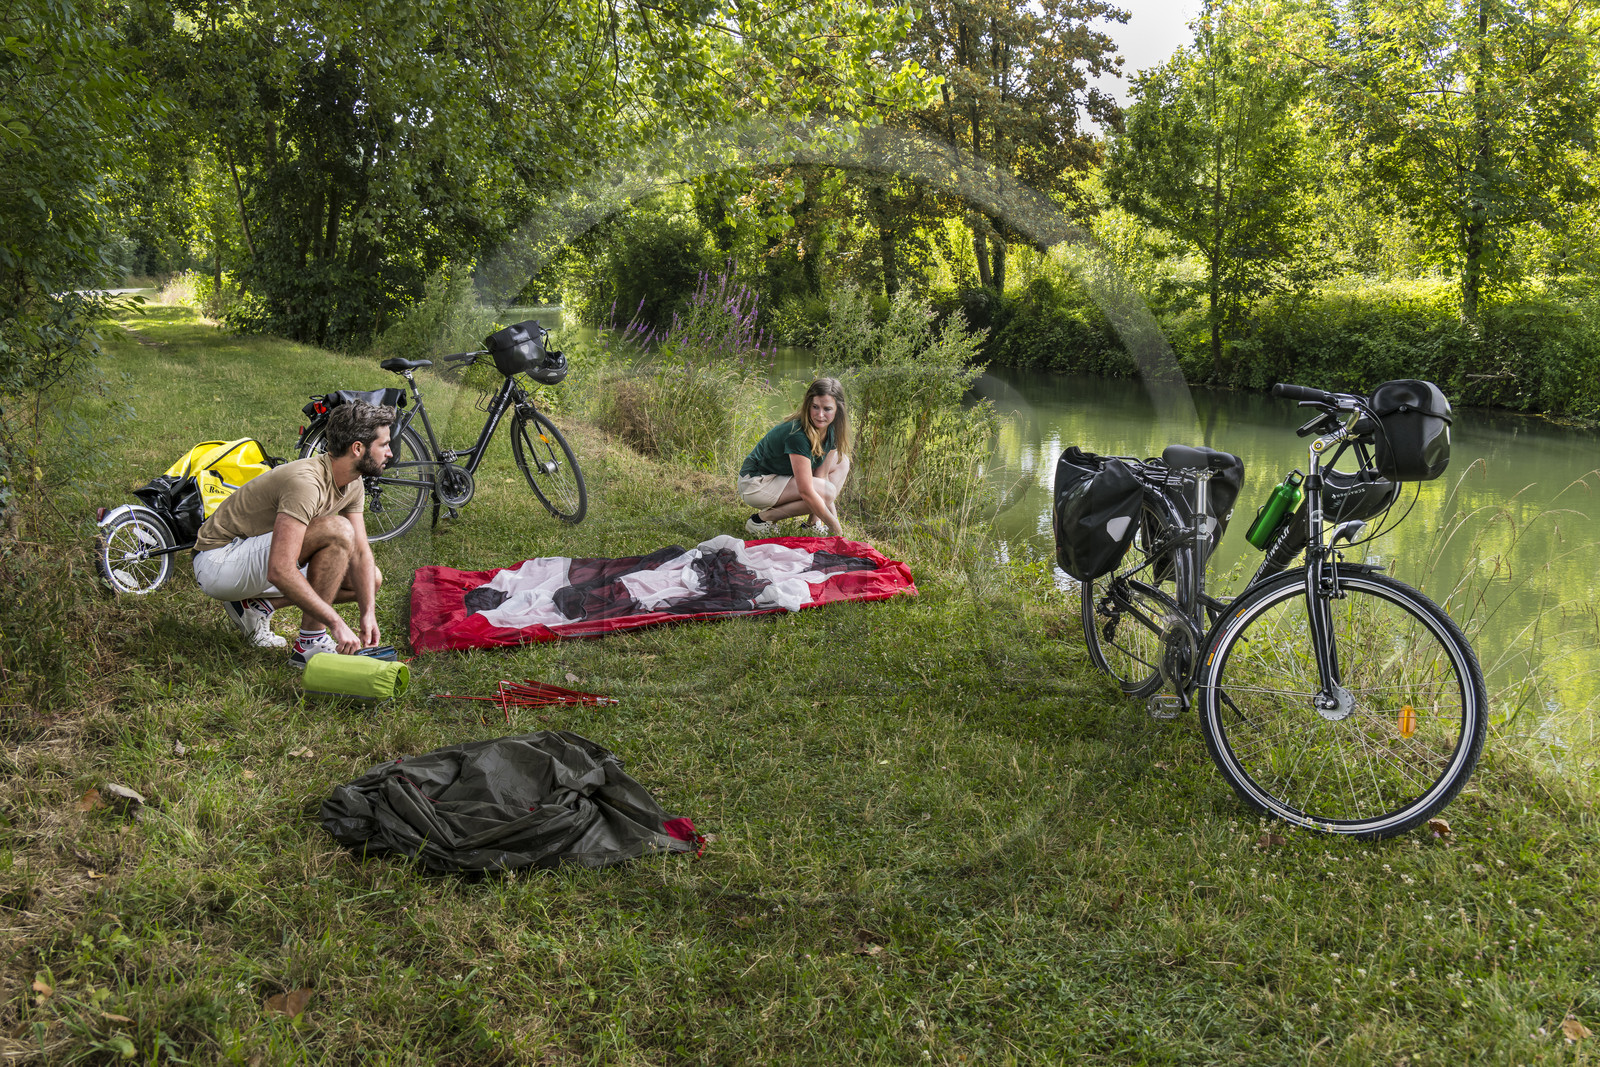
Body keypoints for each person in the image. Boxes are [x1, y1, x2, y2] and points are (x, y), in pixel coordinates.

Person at [191, 402, 391, 668]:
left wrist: (368, 613)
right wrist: (336, 622)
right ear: (358, 448)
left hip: (254, 559)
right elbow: (279, 569)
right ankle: (312, 641)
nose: (389, 453)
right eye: (384, 445)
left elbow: (362, 553)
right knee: (338, 531)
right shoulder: (306, 483)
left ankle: (258, 607)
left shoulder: (353, 482)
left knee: (369, 580)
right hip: (219, 562)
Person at [738, 377, 851, 537]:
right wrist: (837, 529)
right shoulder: (797, 434)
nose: (820, 415)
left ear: (838, 409)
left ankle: (813, 524)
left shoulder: (831, 431)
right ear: (808, 405)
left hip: (780, 477)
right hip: (755, 483)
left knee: (842, 461)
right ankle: (761, 520)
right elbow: (806, 491)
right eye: (815, 407)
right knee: (825, 492)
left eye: (827, 409)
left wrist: (833, 522)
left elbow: (822, 477)